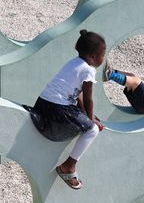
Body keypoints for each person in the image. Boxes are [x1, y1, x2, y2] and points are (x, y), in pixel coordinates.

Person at [26, 29, 106, 190]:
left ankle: (69, 163)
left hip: (43, 104)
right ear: (93, 57)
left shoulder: (73, 62)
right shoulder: (89, 70)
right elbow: (88, 98)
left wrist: (87, 115)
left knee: (86, 118)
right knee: (92, 130)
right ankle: (68, 166)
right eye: (102, 55)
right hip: (58, 109)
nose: (103, 59)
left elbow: (78, 97)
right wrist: (92, 121)